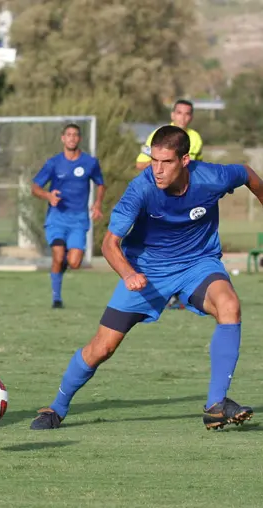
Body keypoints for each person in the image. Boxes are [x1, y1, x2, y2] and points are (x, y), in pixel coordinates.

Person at [30, 125, 261, 432]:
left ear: (184, 160)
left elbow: (247, 174)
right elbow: (109, 244)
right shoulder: (141, 189)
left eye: (166, 162)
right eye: (154, 161)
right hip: (147, 271)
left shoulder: (212, 178)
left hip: (198, 264)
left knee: (229, 305)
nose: (158, 169)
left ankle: (216, 405)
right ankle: (56, 408)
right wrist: (128, 273)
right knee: (103, 348)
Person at [137, 99, 204, 310]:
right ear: (172, 115)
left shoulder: (195, 138)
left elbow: (197, 168)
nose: (183, 117)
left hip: (186, 200)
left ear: (191, 117)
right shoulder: (160, 135)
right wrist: (164, 172)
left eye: (187, 114)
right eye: (179, 113)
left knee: (185, 242)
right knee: (161, 243)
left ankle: (180, 291)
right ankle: (157, 289)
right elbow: (140, 163)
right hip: (161, 198)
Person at [31, 123, 106, 309]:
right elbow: (35, 187)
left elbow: (100, 184)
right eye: (68, 135)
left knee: (74, 262)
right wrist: (48, 196)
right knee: (57, 255)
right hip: (57, 218)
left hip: (79, 219)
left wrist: (97, 204)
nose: (72, 138)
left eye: (75, 135)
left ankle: (61, 265)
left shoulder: (90, 162)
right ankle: (56, 298)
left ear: (79, 139)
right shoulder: (54, 163)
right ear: (62, 138)